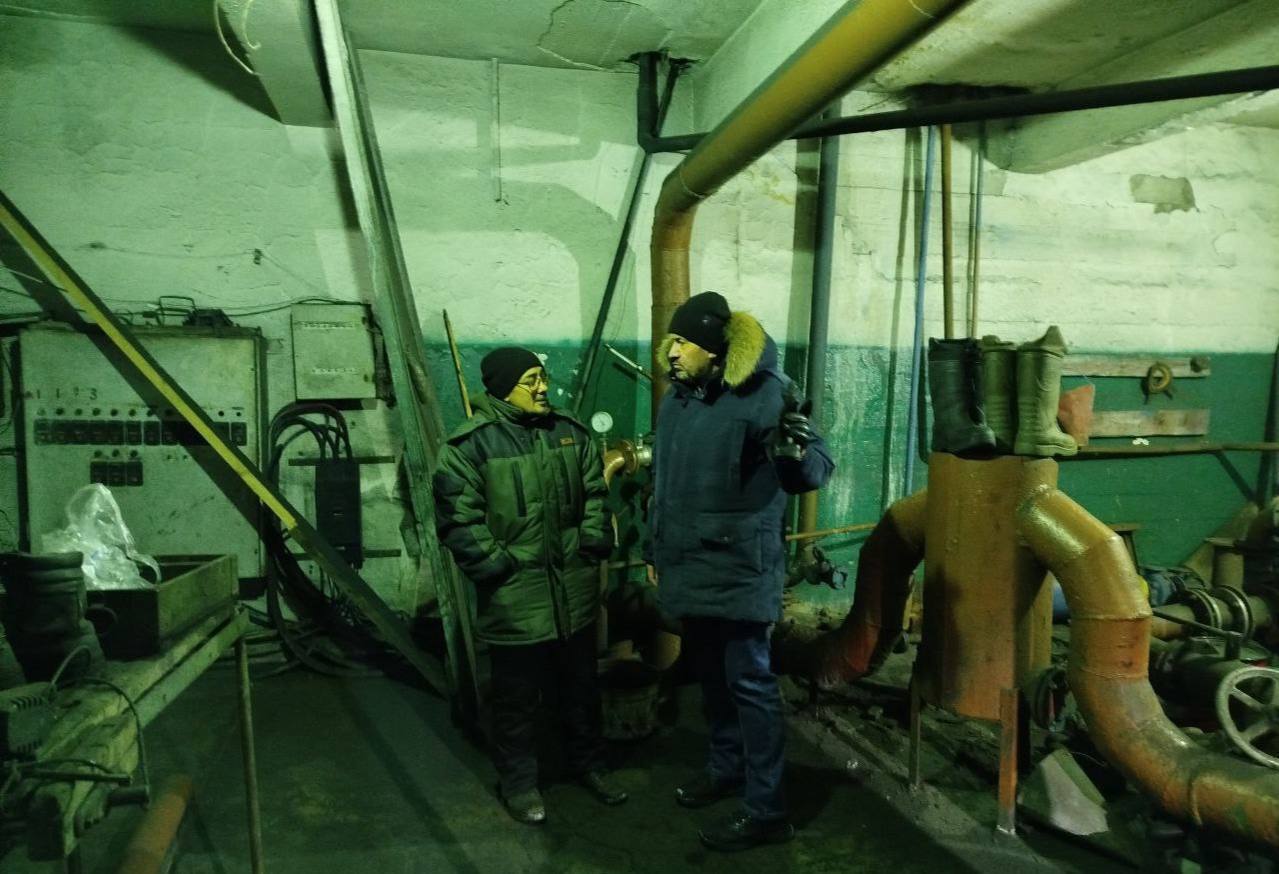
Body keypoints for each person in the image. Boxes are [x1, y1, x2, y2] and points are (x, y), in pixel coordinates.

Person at [645, 292, 834, 851]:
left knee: (750, 684)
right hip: (689, 561)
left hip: (740, 568)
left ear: (714, 349)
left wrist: (795, 453)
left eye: (683, 342)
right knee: (711, 677)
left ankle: (767, 809)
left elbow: (815, 472)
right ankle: (726, 769)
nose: (671, 352)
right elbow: (663, 484)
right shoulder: (678, 399)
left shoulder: (767, 393)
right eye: (671, 341)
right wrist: (656, 549)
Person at [433, 346, 627, 824]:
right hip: (516, 598)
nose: (543, 388)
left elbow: (595, 495)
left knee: (581, 688)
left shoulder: (568, 432)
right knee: (515, 699)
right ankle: (519, 783)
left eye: (543, 378)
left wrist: (591, 544)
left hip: (574, 593)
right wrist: (498, 569)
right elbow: (457, 518)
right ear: (503, 388)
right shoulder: (471, 446)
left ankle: (589, 765)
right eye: (531, 380)